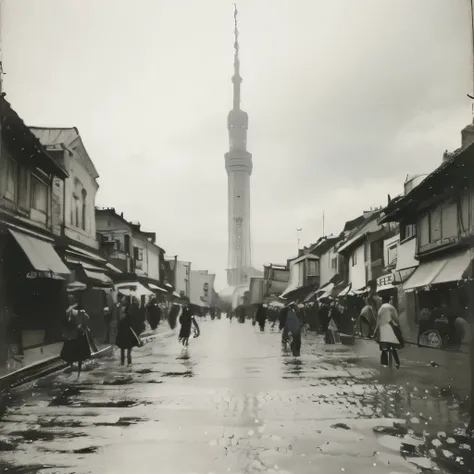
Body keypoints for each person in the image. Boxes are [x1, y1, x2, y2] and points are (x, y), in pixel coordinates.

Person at [60, 294, 94, 377]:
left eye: (71, 298)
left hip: (78, 333)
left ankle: (78, 372)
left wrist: (82, 325)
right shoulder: (68, 309)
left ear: (74, 299)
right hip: (71, 333)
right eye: (68, 298)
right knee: (70, 352)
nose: (69, 300)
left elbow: (86, 318)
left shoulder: (79, 309)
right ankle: (72, 368)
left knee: (79, 354)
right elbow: (66, 321)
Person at [374, 296, 403, 369]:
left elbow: (378, 323)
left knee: (384, 348)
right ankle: (397, 362)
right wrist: (399, 329)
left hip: (383, 330)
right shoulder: (392, 308)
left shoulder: (380, 309)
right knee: (393, 348)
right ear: (389, 301)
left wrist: (375, 333)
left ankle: (385, 365)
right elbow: (396, 320)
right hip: (391, 329)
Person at [115, 298, 142, 366]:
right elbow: (132, 326)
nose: (122, 308)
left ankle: (124, 364)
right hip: (126, 335)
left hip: (124, 334)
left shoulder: (123, 316)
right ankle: (127, 364)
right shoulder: (128, 316)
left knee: (124, 350)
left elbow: (122, 325)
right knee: (125, 351)